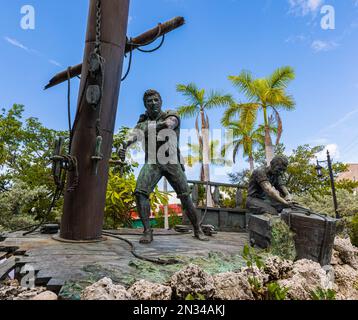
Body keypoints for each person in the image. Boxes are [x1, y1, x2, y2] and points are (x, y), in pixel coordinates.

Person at [119, 89, 208, 244]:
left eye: (155, 100)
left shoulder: (170, 114)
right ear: (145, 105)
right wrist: (124, 146)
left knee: (185, 196)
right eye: (149, 101)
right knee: (140, 192)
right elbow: (134, 135)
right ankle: (147, 230)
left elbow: (168, 124)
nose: (153, 103)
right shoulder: (142, 121)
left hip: (171, 161)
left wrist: (145, 128)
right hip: (153, 161)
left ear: (161, 101)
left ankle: (197, 228)